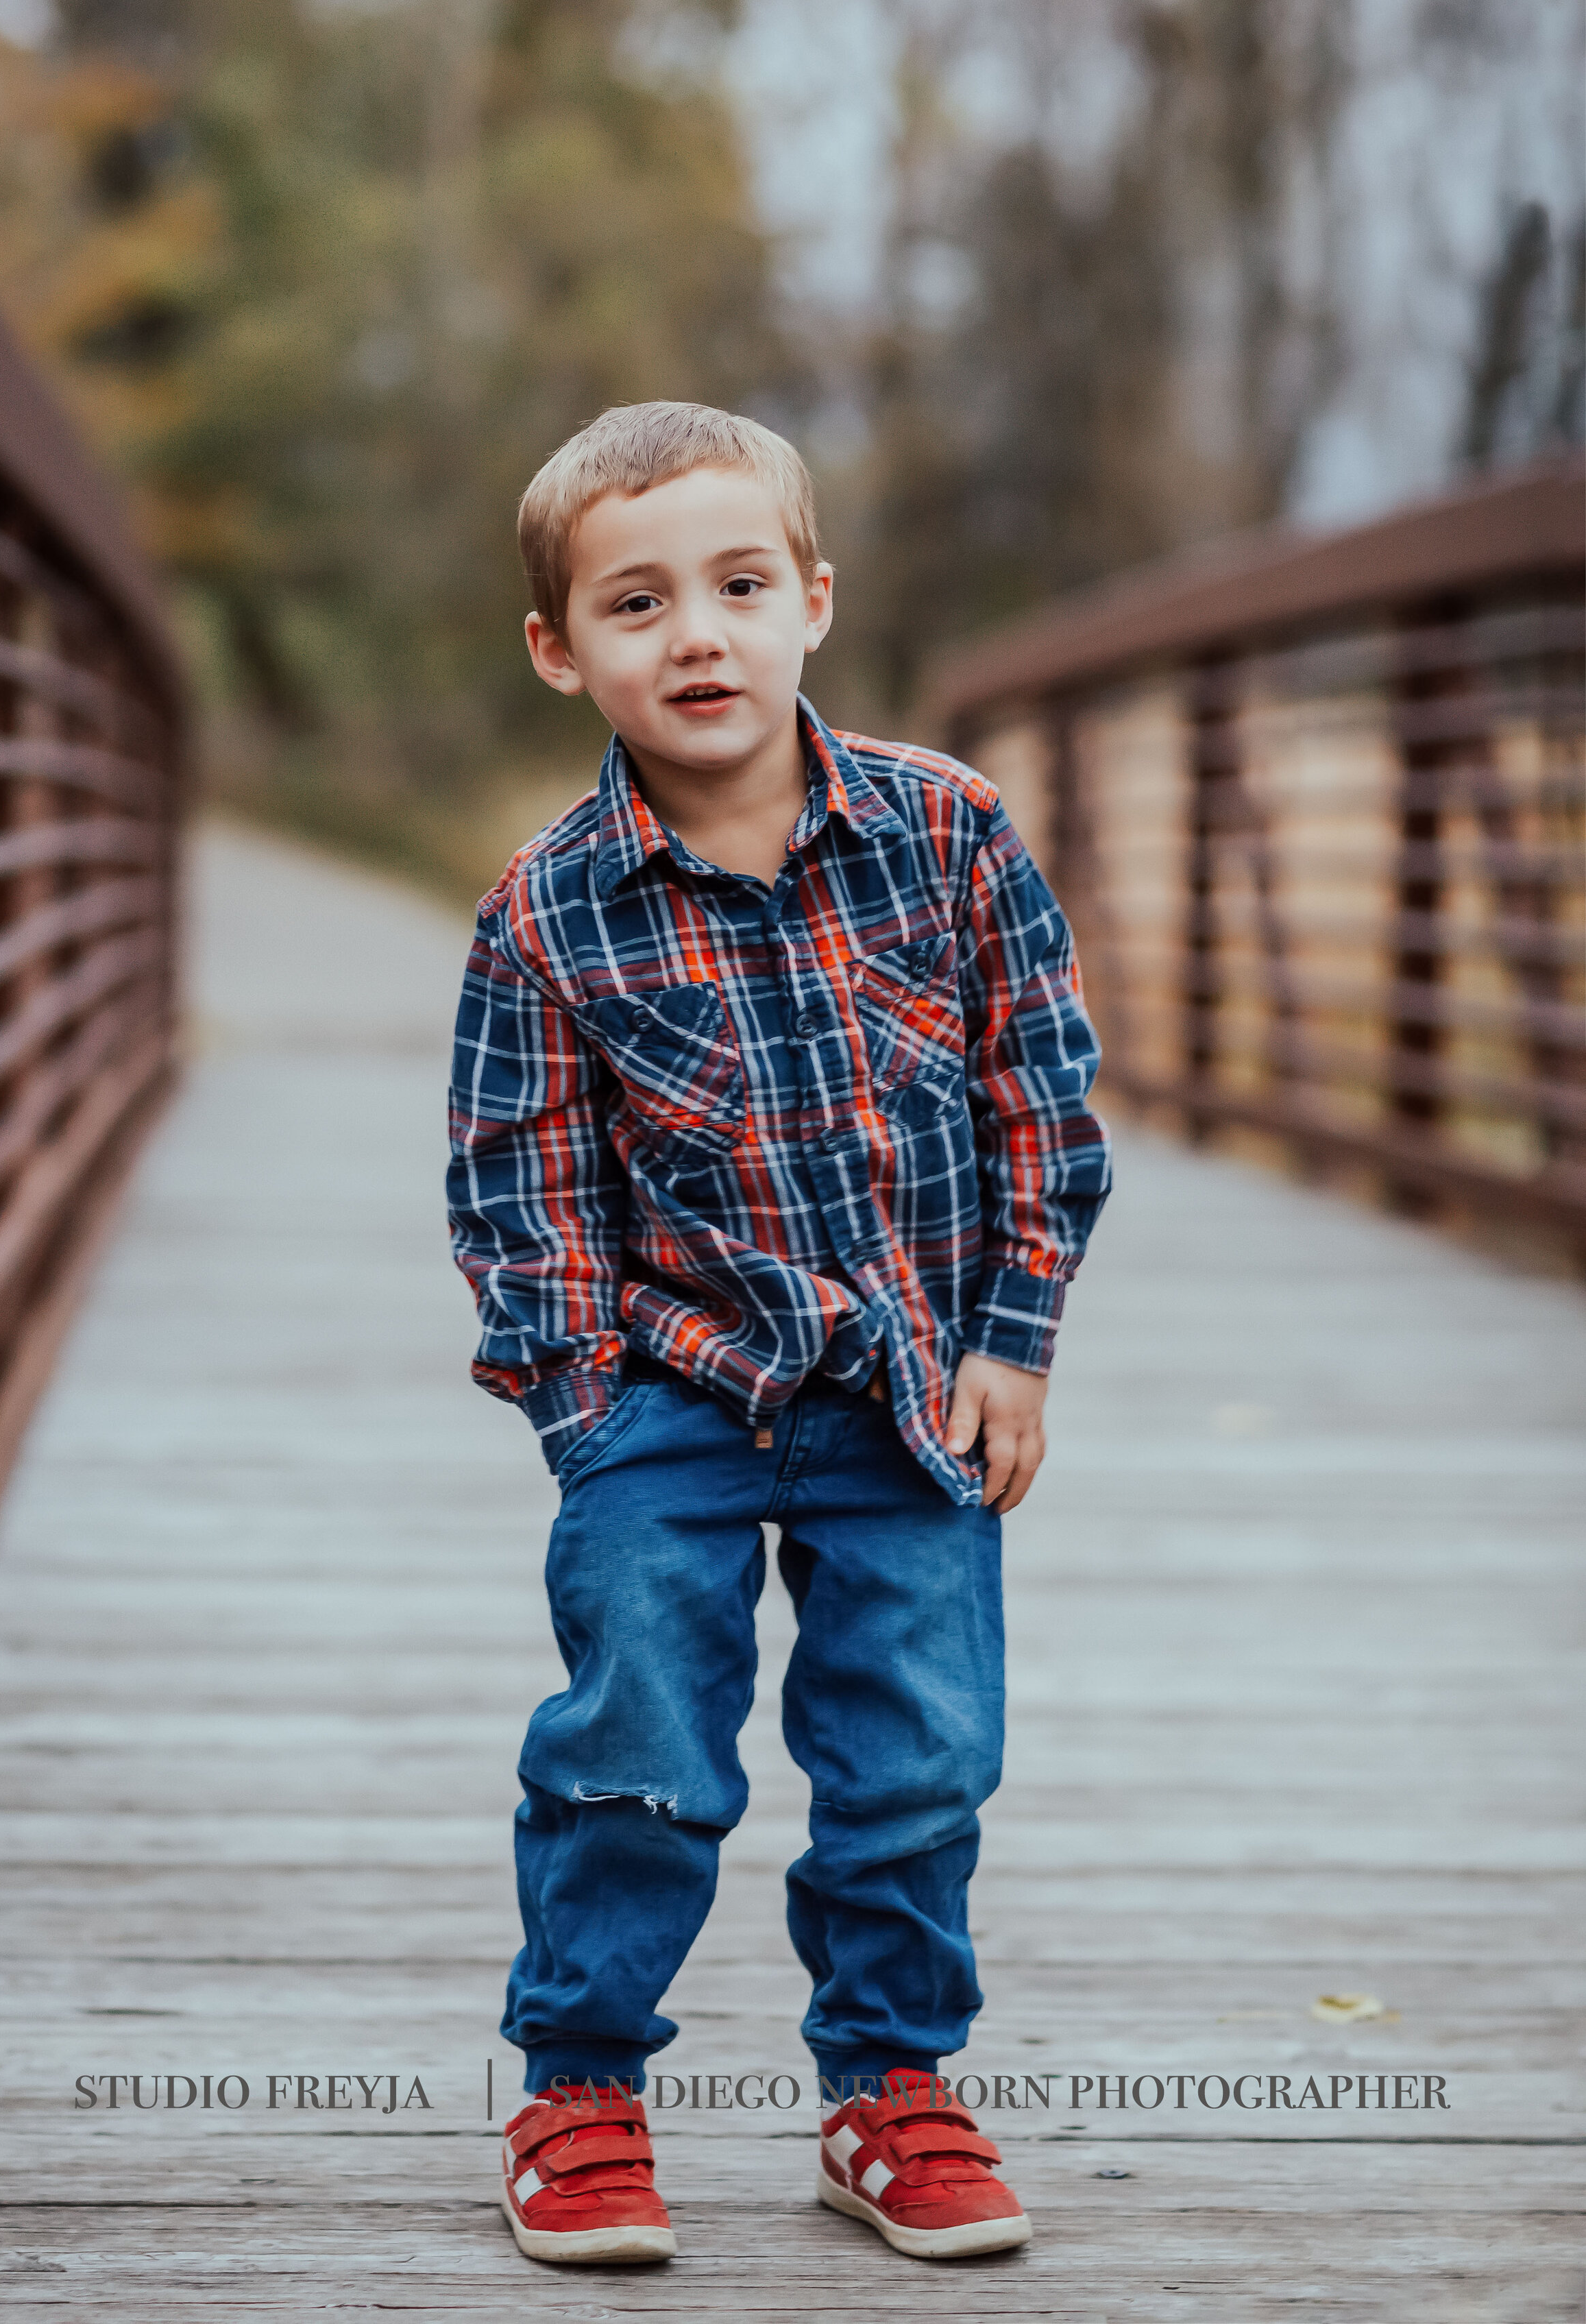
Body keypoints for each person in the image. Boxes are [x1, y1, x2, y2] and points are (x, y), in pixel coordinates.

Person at [448, 400, 1111, 2266]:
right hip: (669, 1395)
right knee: (635, 1750)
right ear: (558, 651)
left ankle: (890, 2091)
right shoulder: (544, 916)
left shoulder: (949, 834)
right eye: (637, 603)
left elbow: (1038, 1106)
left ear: (811, 599)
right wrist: (584, 1419)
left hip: (910, 1385)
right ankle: (578, 2088)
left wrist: (1014, 1340)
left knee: (915, 1754)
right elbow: (518, 1185)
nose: (698, 636)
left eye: (740, 586)